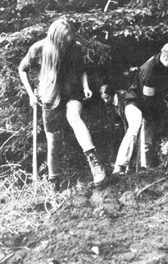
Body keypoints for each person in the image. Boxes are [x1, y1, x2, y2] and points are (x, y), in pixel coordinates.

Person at [18, 18, 106, 189]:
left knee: (74, 116)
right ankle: (54, 182)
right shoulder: (39, 49)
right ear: (55, 39)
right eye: (63, 43)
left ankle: (96, 166)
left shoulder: (75, 47)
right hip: (50, 95)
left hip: (72, 91)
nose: (66, 46)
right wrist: (30, 94)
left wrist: (85, 86)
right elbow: (22, 69)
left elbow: (81, 70)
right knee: (53, 143)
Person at [113, 41, 168, 174]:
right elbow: (147, 99)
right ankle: (120, 166)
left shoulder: (166, 65)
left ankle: (145, 168)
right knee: (135, 127)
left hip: (150, 103)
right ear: (164, 56)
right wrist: (152, 115)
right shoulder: (149, 70)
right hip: (134, 102)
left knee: (148, 136)